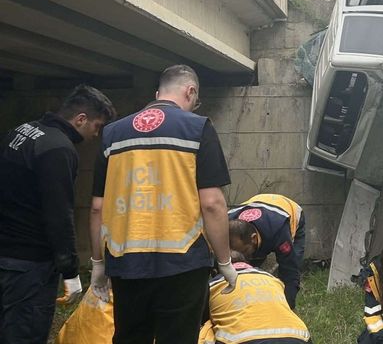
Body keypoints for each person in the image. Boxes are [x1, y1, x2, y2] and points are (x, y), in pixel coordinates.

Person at [90, 64, 237, 344]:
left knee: (130, 337)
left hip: (126, 261)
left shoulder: (113, 134)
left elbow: (98, 206)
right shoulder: (198, 128)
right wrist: (225, 260)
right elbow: (213, 203)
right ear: (190, 91)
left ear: (158, 93)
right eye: (195, 101)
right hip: (183, 262)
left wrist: (98, 263)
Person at [0, 84, 115, 343]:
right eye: (96, 126)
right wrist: (70, 271)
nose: (96, 134)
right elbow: (59, 215)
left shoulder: (20, 132)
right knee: (24, 334)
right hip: (30, 265)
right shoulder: (58, 149)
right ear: (81, 119)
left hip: (5, 254)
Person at [200, 253, 311, 344]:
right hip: (299, 337)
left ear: (214, 272)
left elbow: (197, 319)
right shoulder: (274, 280)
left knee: (207, 328)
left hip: (242, 340)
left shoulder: (213, 285)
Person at [228, 193, 306, 308]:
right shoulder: (226, 222)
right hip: (259, 208)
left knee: (293, 265)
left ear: (254, 239)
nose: (240, 257)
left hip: (288, 211)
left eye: (243, 251)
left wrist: (286, 309)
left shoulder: (279, 231)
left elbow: (289, 272)